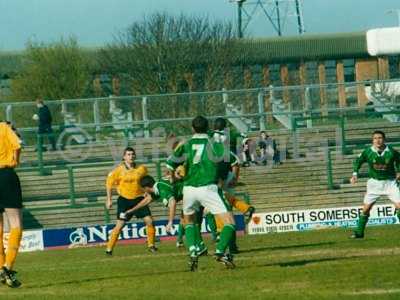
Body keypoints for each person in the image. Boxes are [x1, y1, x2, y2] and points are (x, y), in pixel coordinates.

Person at [166, 116, 236, 271]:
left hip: (189, 189)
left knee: (189, 221)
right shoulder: (214, 143)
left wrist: (172, 178)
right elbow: (231, 159)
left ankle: (193, 252)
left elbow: (170, 163)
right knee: (229, 222)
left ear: (192, 128)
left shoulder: (187, 144)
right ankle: (219, 252)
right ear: (207, 127)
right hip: (207, 187)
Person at [105, 147, 157, 254]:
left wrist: (147, 190)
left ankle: (151, 245)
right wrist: (109, 199)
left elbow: (146, 181)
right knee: (120, 225)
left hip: (139, 199)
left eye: (132, 154)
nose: (131, 156)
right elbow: (109, 184)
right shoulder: (118, 170)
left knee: (149, 221)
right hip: (124, 200)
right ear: (124, 157)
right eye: (128, 154)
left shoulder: (142, 169)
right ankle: (109, 249)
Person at [350, 130, 400, 239]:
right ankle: (359, 233)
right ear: (372, 140)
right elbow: (358, 161)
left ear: (384, 139)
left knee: (399, 206)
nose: (378, 140)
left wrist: (399, 171)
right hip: (374, 184)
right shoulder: (368, 151)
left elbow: (399, 161)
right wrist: (355, 174)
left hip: (390, 183)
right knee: (366, 209)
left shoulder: (391, 151)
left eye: (380, 138)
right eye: (375, 138)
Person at [0, 121, 23, 288]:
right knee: (16, 223)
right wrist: (16, 160)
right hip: (5, 174)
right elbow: (18, 144)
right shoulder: (3, 127)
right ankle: (8, 267)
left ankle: (1, 269)